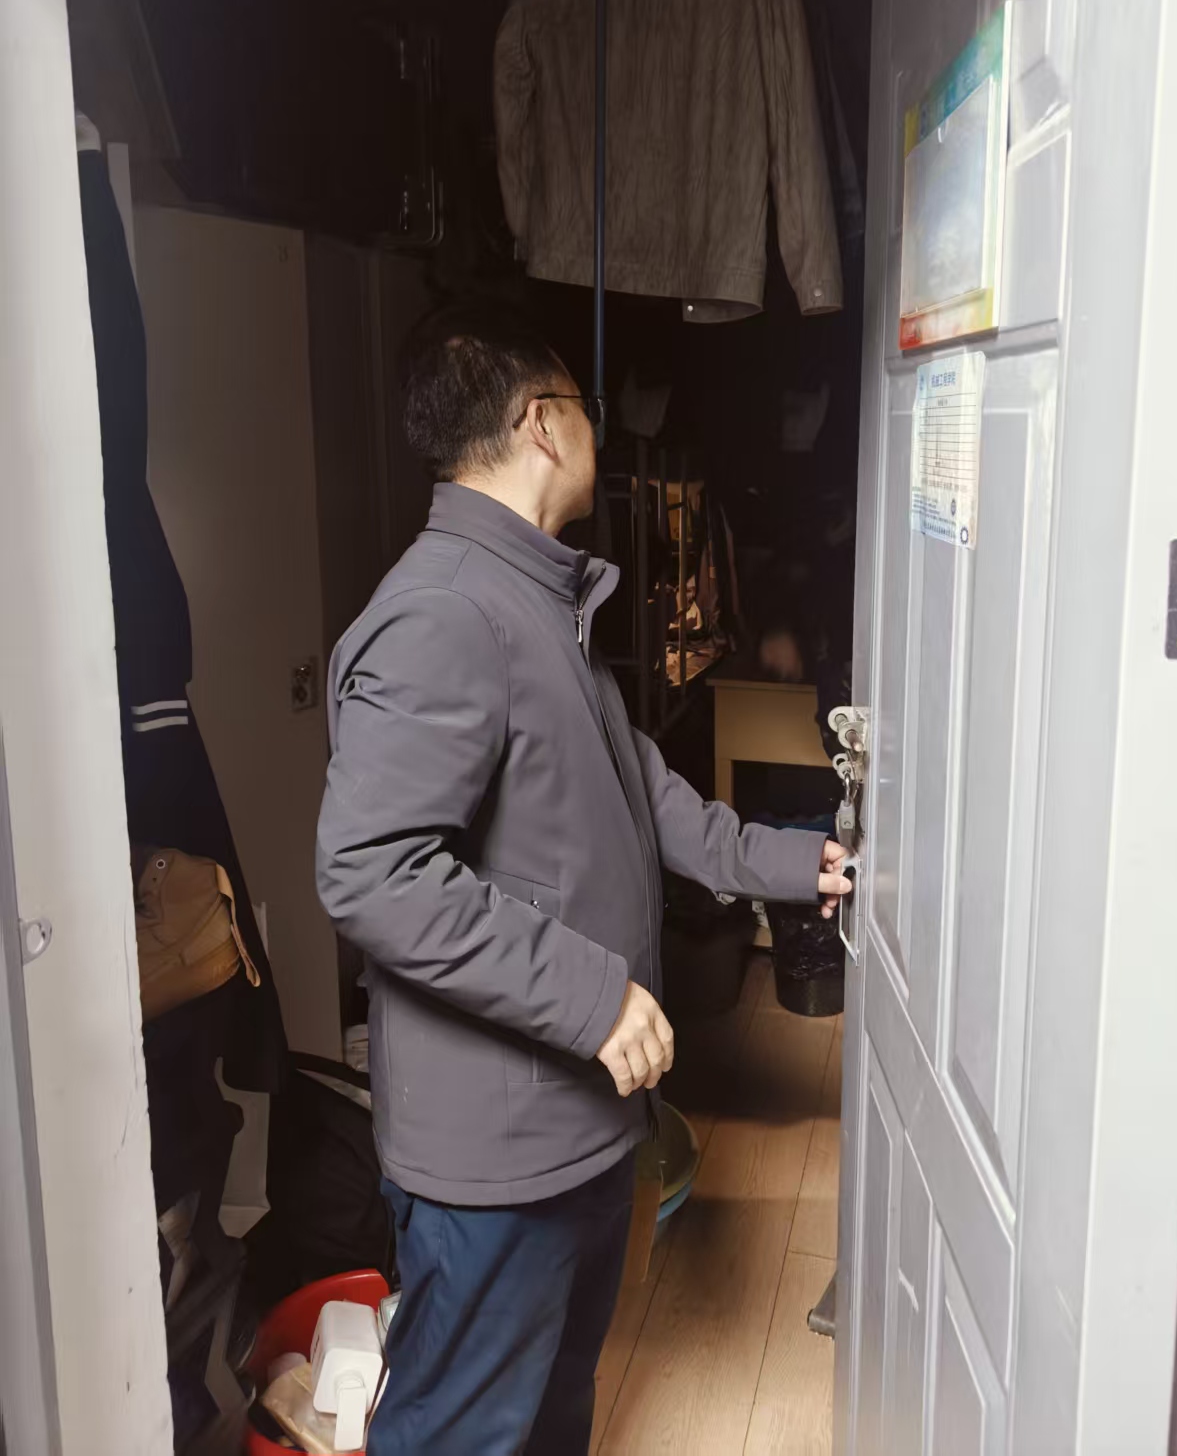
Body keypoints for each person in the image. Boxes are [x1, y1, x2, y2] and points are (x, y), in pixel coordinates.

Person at [315, 298, 851, 1456]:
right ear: (541, 421)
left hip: (575, 1126)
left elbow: (640, 791)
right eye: (586, 407)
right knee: (465, 1432)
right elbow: (372, 871)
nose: (599, 431)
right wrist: (591, 997)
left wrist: (797, 861)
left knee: (551, 1412)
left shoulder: (534, 600)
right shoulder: (446, 611)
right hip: (494, 1155)